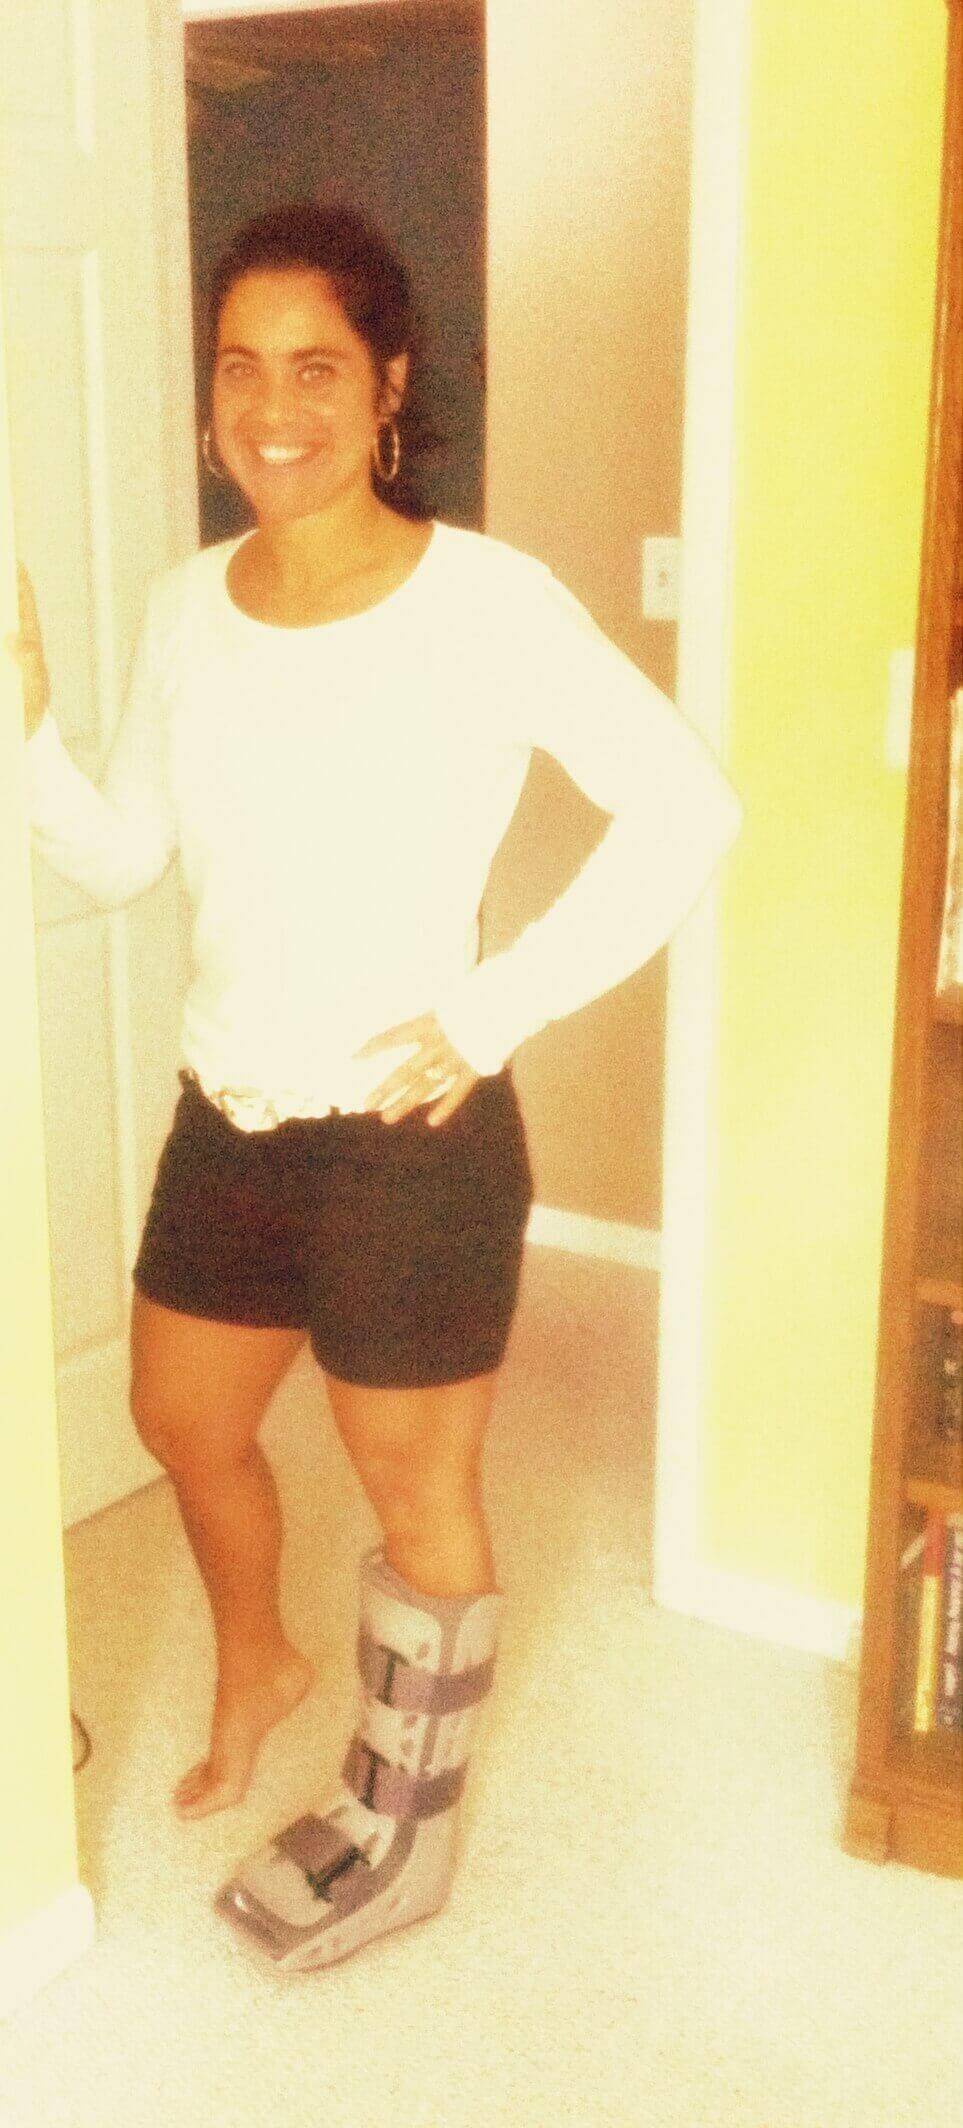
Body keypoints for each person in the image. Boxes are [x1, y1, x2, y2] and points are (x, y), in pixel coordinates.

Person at [8, 201, 742, 1974]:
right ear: (209, 397)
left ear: (388, 386)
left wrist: (491, 1013)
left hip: (412, 1135)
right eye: (241, 370)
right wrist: (20, 724)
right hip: (230, 1116)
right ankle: (259, 1656)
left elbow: (687, 807)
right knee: (182, 1416)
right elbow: (121, 858)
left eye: (317, 369)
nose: (275, 408)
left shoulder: (486, 601)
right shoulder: (187, 609)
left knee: (415, 1493)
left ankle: (399, 1827)